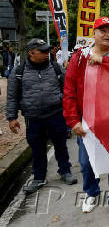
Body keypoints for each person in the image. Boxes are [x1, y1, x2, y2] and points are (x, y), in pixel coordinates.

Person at [63, 17, 109, 220]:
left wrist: (106, 62)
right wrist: (73, 120)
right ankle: (91, 193)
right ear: (93, 34)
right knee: (86, 163)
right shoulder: (80, 58)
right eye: (103, 30)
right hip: (87, 122)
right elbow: (69, 91)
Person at [6, 38, 77, 194]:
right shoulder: (18, 72)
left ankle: (65, 171)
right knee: (37, 149)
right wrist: (12, 118)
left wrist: (71, 111)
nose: (47, 53)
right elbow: (12, 97)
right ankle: (39, 177)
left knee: (60, 145)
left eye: (47, 50)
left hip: (56, 114)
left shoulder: (56, 68)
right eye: (42, 51)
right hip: (33, 117)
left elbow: (68, 91)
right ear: (31, 52)